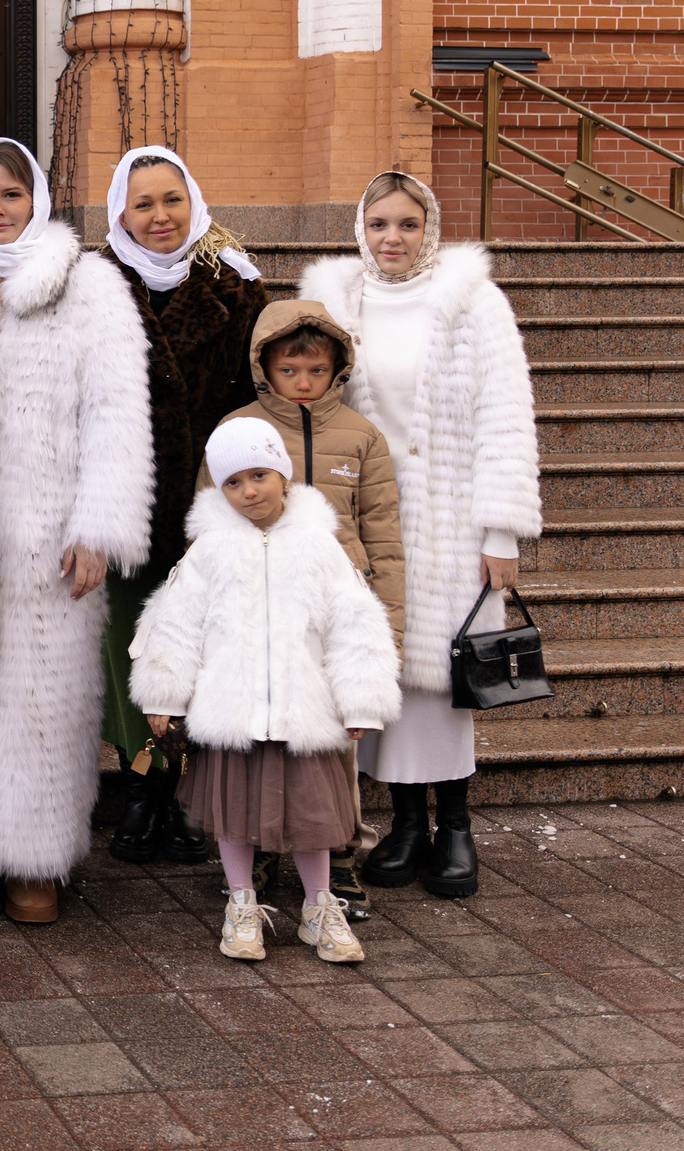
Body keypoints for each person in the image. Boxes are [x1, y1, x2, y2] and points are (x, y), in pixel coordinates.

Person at [0, 138, 153, 923]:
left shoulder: (91, 288)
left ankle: (38, 861)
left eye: (12, 194)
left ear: (37, 199)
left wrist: (99, 526)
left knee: (45, 701)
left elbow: (118, 416)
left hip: (51, 539)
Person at [303, 171, 541, 900]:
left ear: (429, 227)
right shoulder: (335, 301)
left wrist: (500, 531)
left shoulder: (473, 302)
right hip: (368, 521)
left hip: (449, 516)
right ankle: (406, 824)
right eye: (379, 224)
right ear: (360, 229)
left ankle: (457, 826)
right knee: (384, 671)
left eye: (407, 223)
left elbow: (506, 418)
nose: (393, 238)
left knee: (446, 677)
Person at [130, 419, 401, 967]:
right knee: (232, 813)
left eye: (259, 475)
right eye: (233, 482)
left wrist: (362, 698)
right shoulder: (209, 549)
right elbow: (176, 623)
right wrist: (164, 694)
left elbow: (356, 624)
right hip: (233, 710)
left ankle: (320, 906)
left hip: (304, 711)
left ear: (283, 475)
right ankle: (242, 902)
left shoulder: (319, 546)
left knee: (313, 816)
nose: (248, 491)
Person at [200, 300, 405, 918]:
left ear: (337, 370)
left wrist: (389, 618)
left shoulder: (363, 435)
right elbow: (208, 523)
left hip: (335, 613)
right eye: (291, 372)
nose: (304, 384)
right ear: (265, 370)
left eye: (317, 371)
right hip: (261, 612)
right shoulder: (239, 429)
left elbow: (383, 529)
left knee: (329, 743)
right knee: (261, 734)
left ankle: (338, 854)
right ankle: (260, 848)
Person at [98, 145, 270, 865]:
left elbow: (257, 397)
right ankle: (140, 787)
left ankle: (177, 789)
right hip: (125, 497)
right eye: (144, 203)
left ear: (193, 201)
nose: (160, 216)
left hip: (208, 499)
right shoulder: (94, 282)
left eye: (172, 200)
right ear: (120, 212)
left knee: (198, 646)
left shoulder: (234, 284)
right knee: (128, 645)